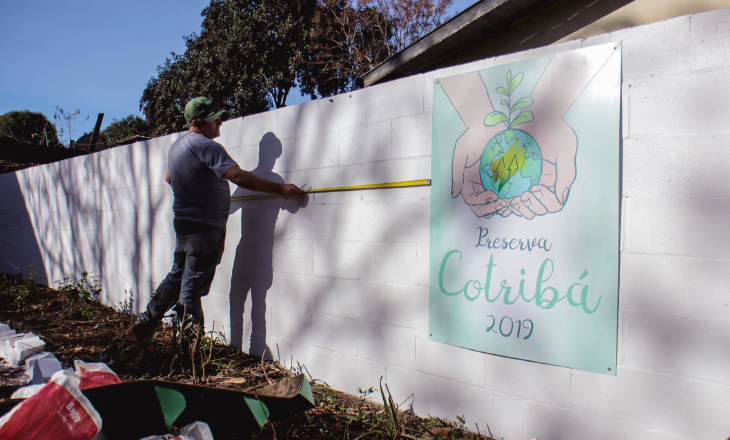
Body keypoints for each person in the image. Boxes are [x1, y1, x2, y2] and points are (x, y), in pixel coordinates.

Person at [131, 97, 303, 343]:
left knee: (177, 276)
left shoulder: (177, 147)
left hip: (185, 225)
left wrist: (199, 190)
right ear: (197, 122)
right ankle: (192, 349)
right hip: (204, 228)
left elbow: (170, 177)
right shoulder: (208, 147)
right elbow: (239, 177)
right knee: (190, 289)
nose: (219, 121)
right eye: (214, 118)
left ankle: (146, 322)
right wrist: (280, 189)